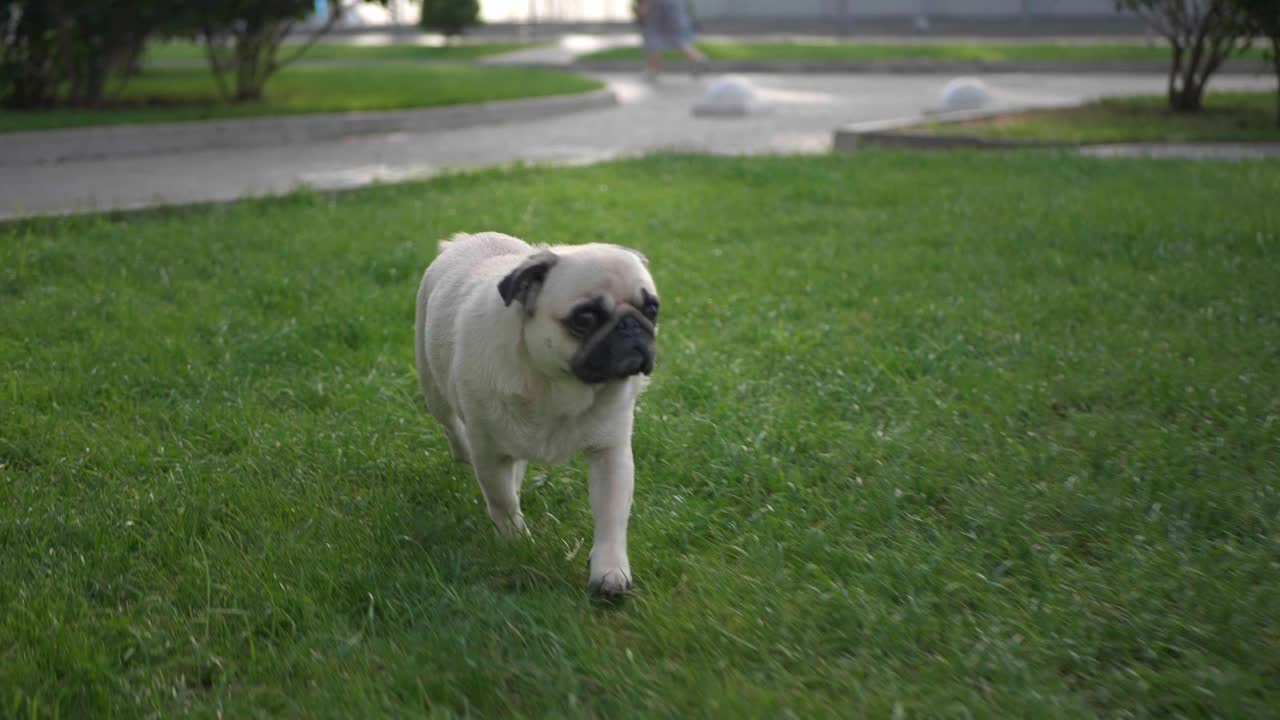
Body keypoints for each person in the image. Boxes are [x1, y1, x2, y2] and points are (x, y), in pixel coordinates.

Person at [636, 0, 709, 82]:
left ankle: (653, 70)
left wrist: (642, 11)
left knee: (652, 40)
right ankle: (698, 58)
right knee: (677, 39)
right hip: (675, 13)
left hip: (659, 12)